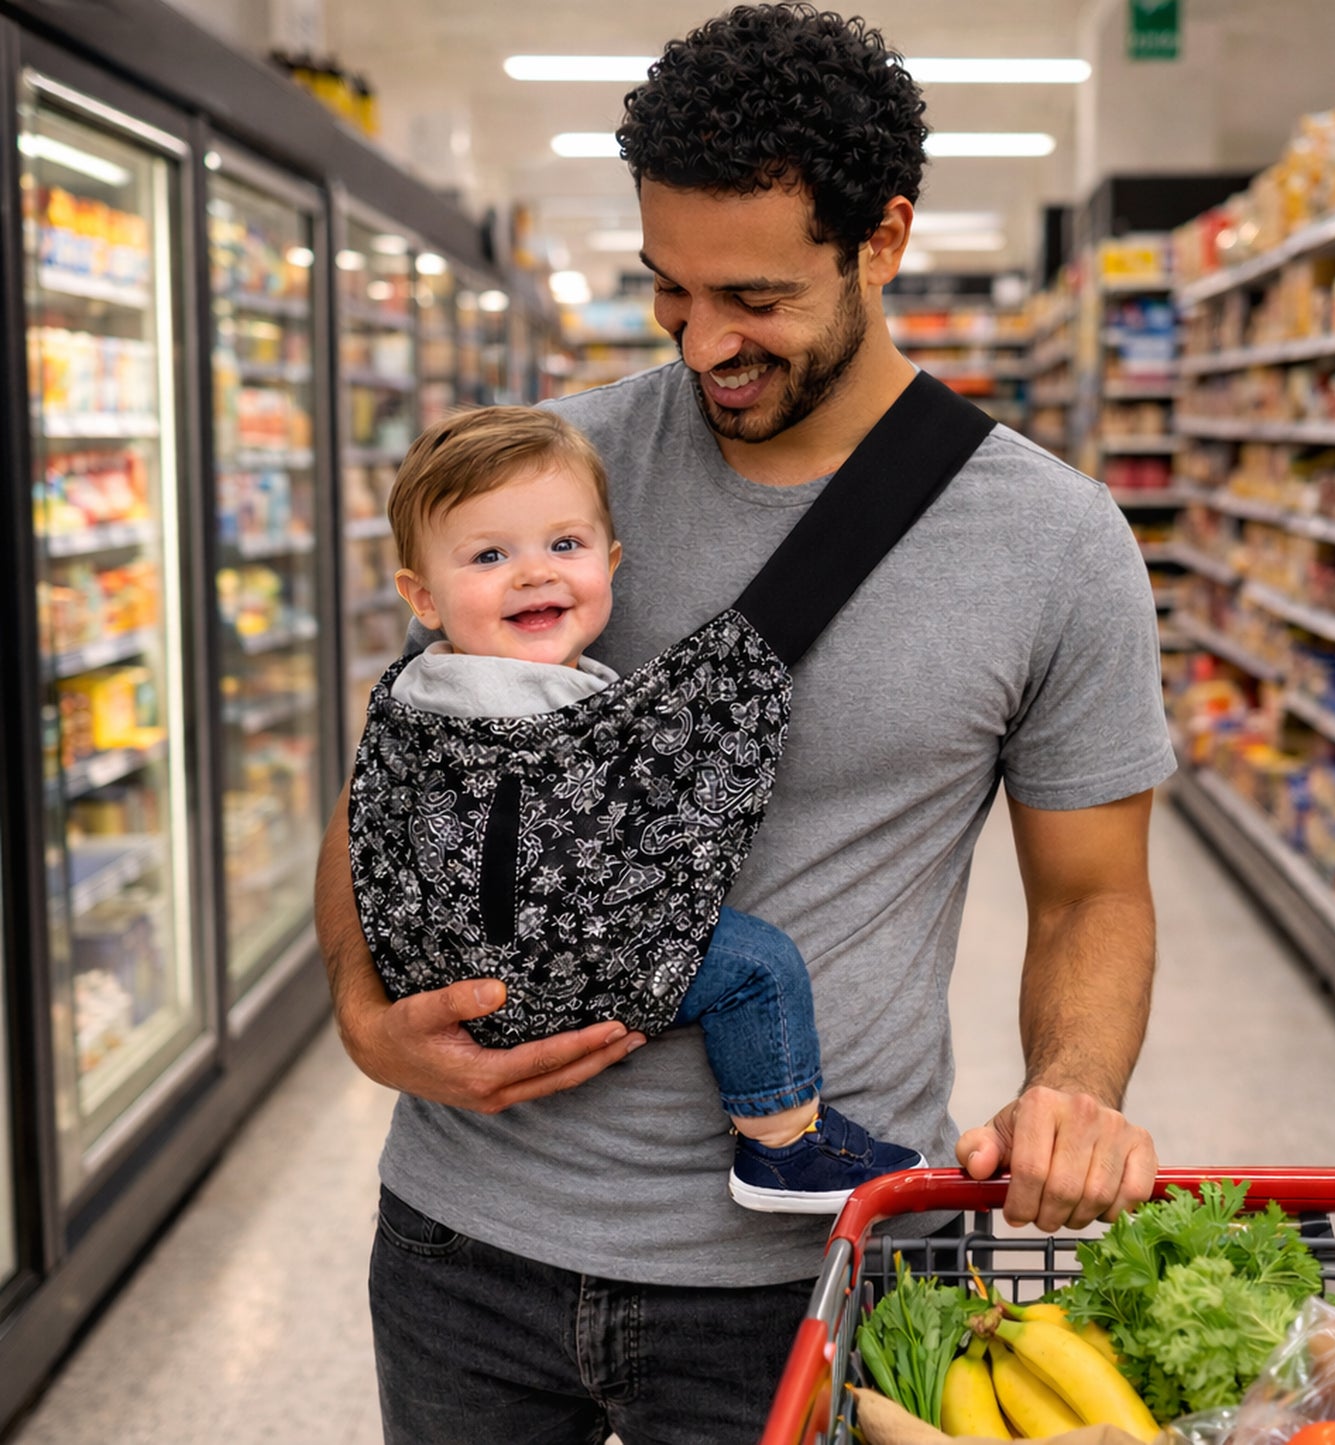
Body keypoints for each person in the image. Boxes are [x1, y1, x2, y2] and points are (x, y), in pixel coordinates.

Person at [312, 5, 1175, 1439]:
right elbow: (402, 781)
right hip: (464, 1241)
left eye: (757, 298)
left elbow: (1092, 893)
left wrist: (1071, 1089)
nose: (706, 341)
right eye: (670, 288)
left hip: (806, 1265)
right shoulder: (544, 485)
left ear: (882, 239)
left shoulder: (1053, 542)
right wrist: (362, 1015)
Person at [352, 402, 925, 1213]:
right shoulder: (524, 699)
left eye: (564, 545)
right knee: (755, 967)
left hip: (457, 977)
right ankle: (783, 1141)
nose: (534, 572)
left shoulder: (423, 689)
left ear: (611, 560)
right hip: (560, 962)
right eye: (488, 555)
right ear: (424, 597)